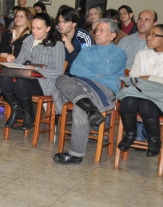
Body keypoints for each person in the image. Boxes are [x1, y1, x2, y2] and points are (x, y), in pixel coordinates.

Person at [52, 19, 127, 164]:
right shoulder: (87, 50)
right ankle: (91, 109)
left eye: (102, 30)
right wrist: (97, 70)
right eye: (96, 30)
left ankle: (76, 155)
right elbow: (74, 69)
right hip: (82, 85)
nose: (96, 33)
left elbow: (108, 70)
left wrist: (88, 68)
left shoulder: (119, 53)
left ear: (113, 35)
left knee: (80, 107)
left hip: (104, 89)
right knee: (61, 79)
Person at [118, 24, 163, 156]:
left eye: (153, 35)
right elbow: (134, 78)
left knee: (146, 105)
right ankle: (130, 134)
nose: (148, 38)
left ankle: (154, 139)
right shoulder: (142, 54)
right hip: (138, 93)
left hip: (162, 98)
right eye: (149, 34)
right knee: (127, 102)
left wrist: (148, 77)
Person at [0, 13, 65, 130]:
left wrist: (36, 69)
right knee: (4, 78)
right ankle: (16, 109)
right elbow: (20, 61)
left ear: (48, 28)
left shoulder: (57, 45)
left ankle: (29, 115)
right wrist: (11, 60)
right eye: (33, 28)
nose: (34, 31)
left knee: (21, 83)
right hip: (29, 76)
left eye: (38, 29)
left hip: (47, 81)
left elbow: (58, 72)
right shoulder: (29, 40)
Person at [56, 6, 93, 74]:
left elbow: (84, 65)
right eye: (59, 21)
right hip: (58, 73)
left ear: (74, 24)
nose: (61, 25)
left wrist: (69, 46)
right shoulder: (56, 35)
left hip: (77, 76)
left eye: (65, 22)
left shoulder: (84, 37)